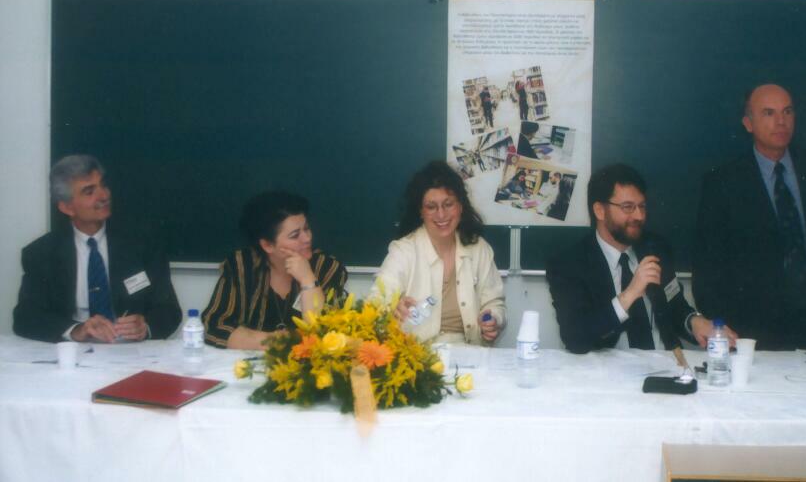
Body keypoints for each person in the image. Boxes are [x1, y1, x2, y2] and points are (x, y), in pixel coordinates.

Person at [693, 84, 806, 350]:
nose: (781, 121)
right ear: (748, 123)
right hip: (750, 331)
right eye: (769, 113)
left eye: (787, 111)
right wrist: (721, 333)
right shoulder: (723, 183)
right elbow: (706, 268)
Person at [546, 164, 733, 353]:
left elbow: (674, 306)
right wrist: (630, 293)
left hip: (664, 362)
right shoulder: (569, 264)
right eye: (628, 207)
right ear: (600, 210)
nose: (639, 215)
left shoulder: (657, 248)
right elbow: (575, 337)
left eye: (642, 206)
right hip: (608, 368)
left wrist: (694, 321)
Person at [13, 155, 182, 343]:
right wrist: (75, 330)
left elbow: (169, 310)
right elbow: (25, 317)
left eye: (103, 185)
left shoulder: (144, 244)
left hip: (129, 349)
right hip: (74, 352)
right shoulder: (41, 253)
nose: (103, 196)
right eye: (89, 191)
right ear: (67, 207)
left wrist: (146, 327)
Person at [375, 161, 505, 344]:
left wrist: (493, 319)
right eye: (431, 207)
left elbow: (494, 302)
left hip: (471, 353)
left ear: (460, 206)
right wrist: (392, 309)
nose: (441, 215)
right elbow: (375, 303)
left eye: (448, 204)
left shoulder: (479, 248)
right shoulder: (403, 251)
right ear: (421, 211)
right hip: (418, 353)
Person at [202, 191, 348, 350]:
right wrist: (275, 341)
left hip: (306, 363)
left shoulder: (327, 268)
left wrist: (308, 280)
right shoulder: (242, 265)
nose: (307, 238)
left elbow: (326, 333)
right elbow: (215, 325)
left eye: (306, 229)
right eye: (295, 235)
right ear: (268, 245)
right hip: (248, 361)